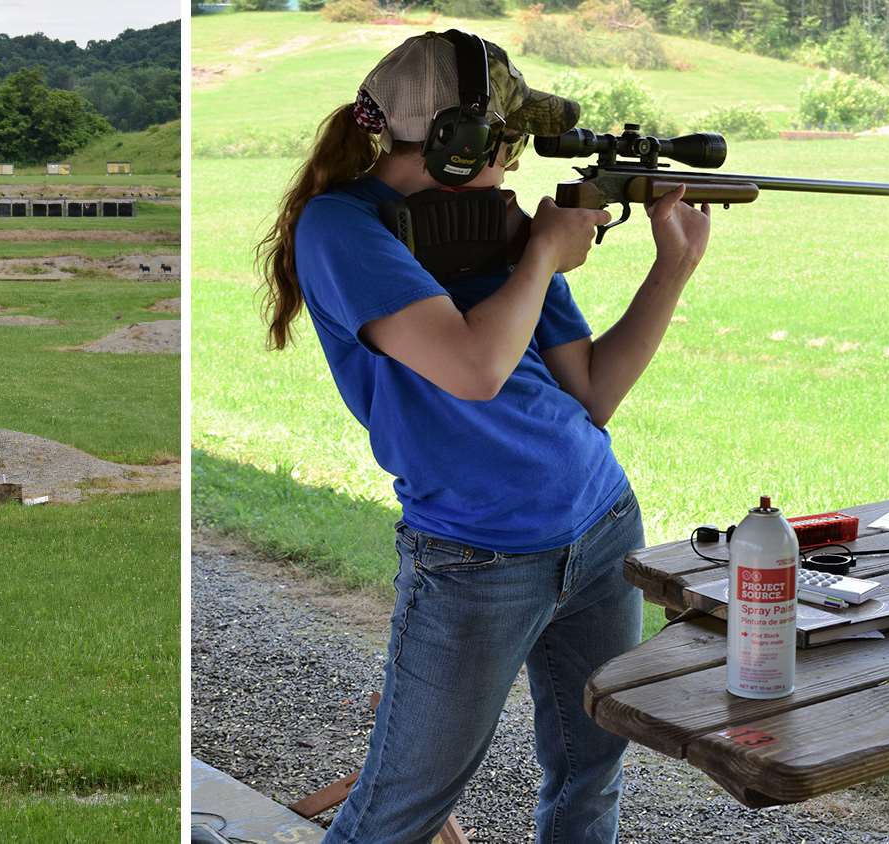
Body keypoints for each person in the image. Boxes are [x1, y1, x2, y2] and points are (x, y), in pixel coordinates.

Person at [256, 30, 711, 844]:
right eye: (505, 141)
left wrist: (669, 269)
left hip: (601, 525)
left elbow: (594, 394)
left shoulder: (495, 228)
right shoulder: (342, 229)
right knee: (401, 809)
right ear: (458, 145)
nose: (516, 161)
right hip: (476, 558)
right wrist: (541, 257)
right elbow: (472, 368)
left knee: (589, 775)